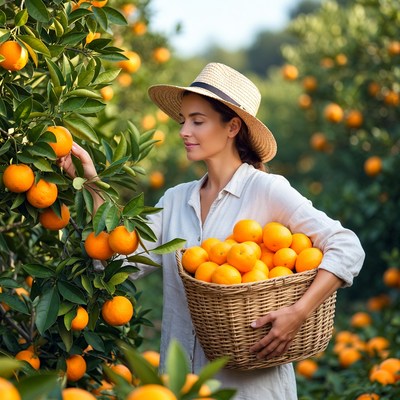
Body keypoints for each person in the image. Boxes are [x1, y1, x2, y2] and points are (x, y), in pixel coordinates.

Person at [60, 63, 365, 399]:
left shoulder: (266, 190)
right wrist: (91, 183)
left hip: (252, 390)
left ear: (232, 126)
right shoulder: (176, 200)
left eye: (197, 121)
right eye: (183, 121)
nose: (184, 131)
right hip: (181, 388)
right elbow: (119, 258)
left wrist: (298, 313)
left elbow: (347, 247)